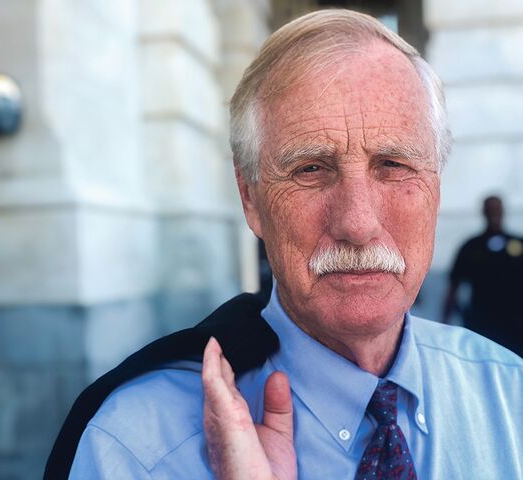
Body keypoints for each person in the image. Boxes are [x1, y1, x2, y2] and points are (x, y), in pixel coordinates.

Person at [48, 9, 523, 479]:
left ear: (436, 188)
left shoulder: (510, 393)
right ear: (250, 197)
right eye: (310, 169)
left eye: (393, 165)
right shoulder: (135, 450)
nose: (357, 223)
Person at [442, 195, 523, 355]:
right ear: (483, 212)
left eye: (496, 209)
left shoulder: (518, 244)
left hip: (516, 325)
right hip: (481, 325)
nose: (493, 214)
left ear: (503, 212)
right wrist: (445, 324)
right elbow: (453, 287)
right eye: (490, 209)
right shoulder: (471, 247)